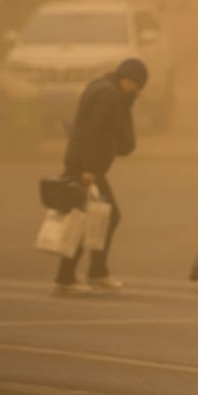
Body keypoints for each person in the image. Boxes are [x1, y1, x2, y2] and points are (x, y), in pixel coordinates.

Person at [54, 58, 148, 296]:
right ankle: (74, 276)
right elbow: (96, 133)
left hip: (81, 162)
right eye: (137, 86)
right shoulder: (110, 96)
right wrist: (90, 169)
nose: (137, 92)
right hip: (87, 167)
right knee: (97, 217)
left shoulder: (101, 86)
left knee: (92, 217)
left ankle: (91, 273)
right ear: (129, 80)